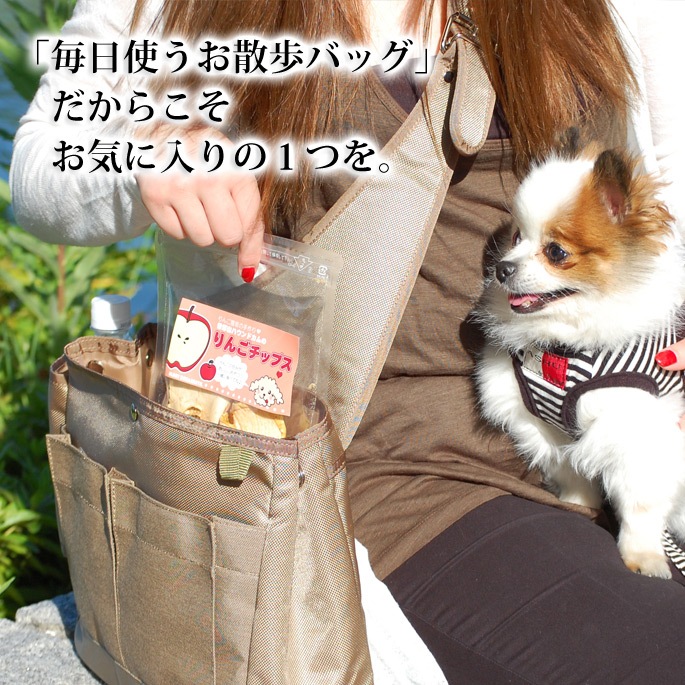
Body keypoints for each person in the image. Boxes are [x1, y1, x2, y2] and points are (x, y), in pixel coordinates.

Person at [10, 1, 685, 682]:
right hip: (386, 487)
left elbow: (671, 172)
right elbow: (39, 168)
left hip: (615, 431)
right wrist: (152, 156)